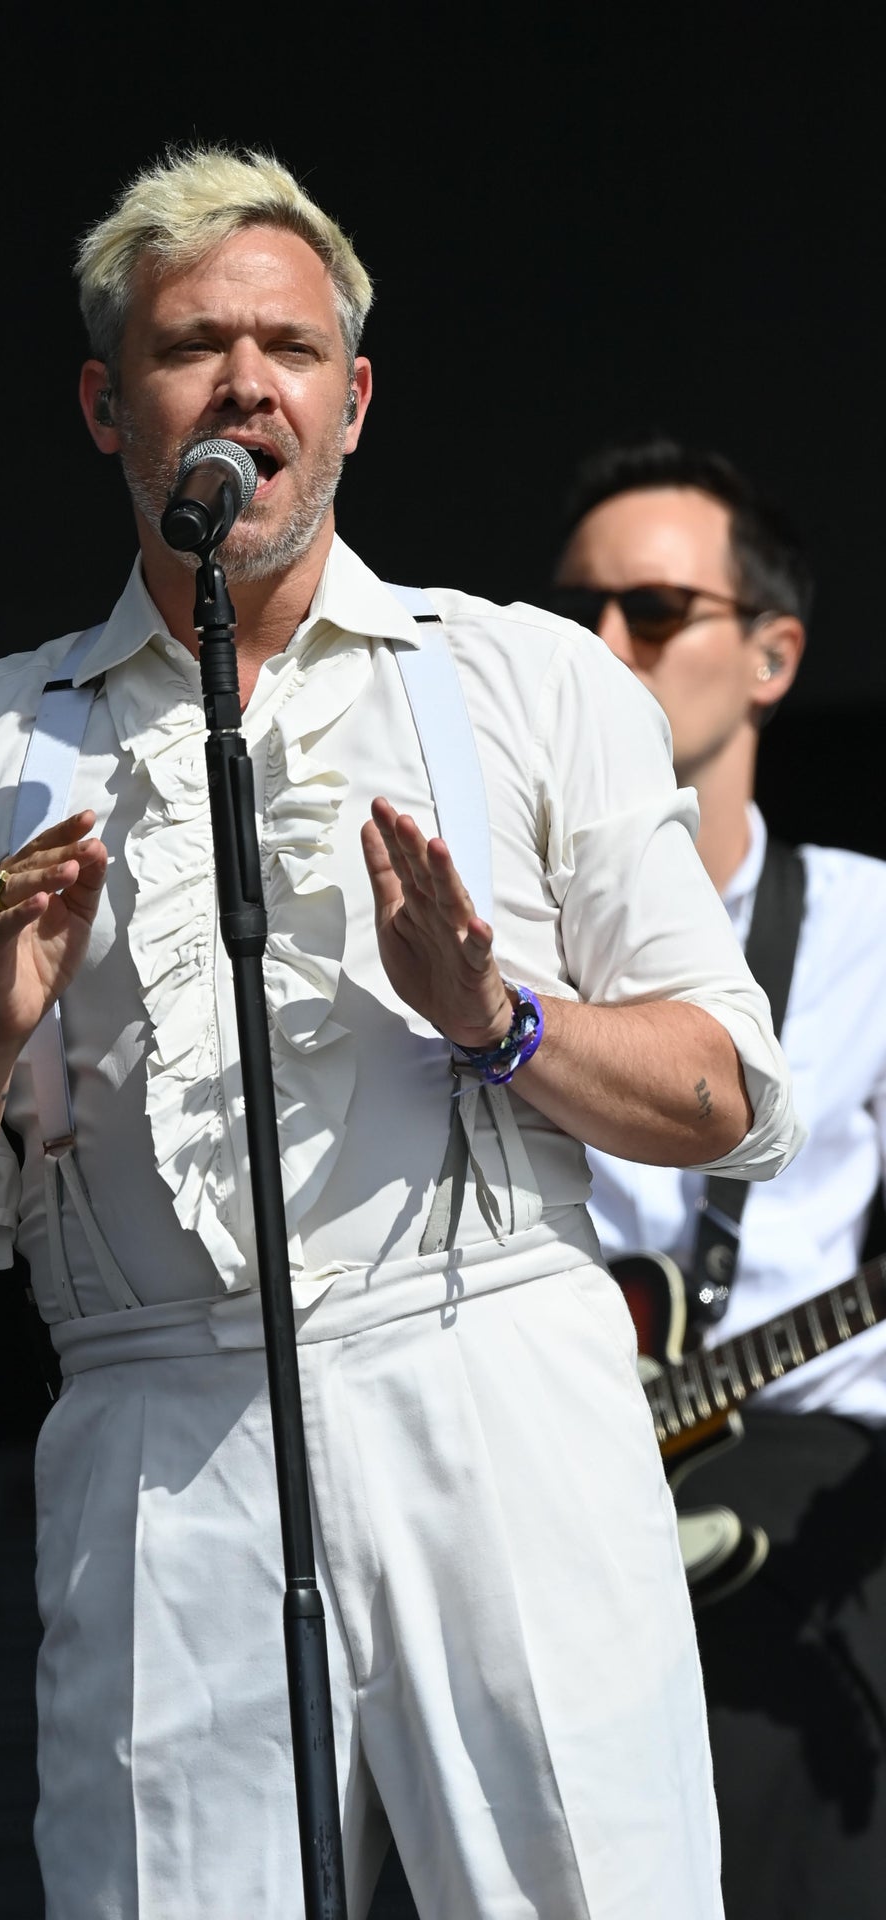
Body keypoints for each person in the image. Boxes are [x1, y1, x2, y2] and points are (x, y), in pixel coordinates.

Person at [0, 150, 803, 1920]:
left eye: (291, 347)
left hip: (498, 1388)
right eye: (194, 347)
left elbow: (722, 1089)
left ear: (354, 401)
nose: (248, 382)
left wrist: (499, 1018)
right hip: (159, 1430)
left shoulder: (529, 680)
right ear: (110, 405)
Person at [550, 439, 886, 1918]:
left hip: (805, 1478)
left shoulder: (875, 927)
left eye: (655, 609)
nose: (605, 646)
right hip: (555, 1481)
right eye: (578, 614)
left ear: (772, 656)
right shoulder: (481, 927)